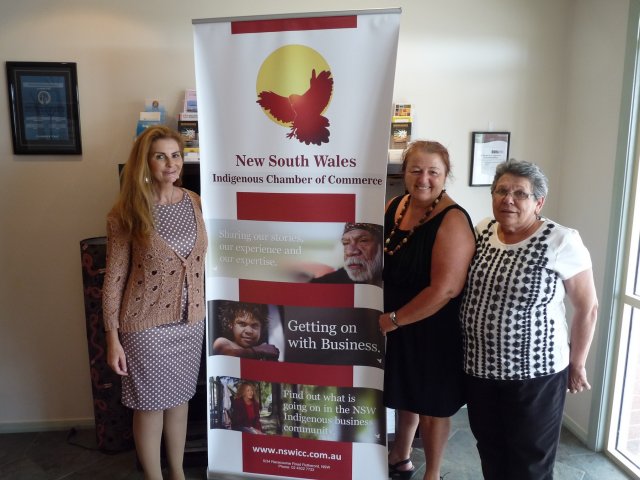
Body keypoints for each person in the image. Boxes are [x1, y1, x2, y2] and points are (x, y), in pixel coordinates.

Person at [460, 159, 598, 480]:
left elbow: (587, 307)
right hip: (480, 371)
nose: (508, 199)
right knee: (491, 452)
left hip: (535, 376)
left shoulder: (561, 241)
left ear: (538, 202)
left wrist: (578, 362)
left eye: (520, 193)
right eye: (501, 191)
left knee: (530, 462)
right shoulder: (482, 230)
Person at [102, 125, 208, 480]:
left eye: (175, 155)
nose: (170, 163)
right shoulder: (127, 211)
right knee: (149, 407)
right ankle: (154, 476)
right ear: (145, 163)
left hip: (190, 323)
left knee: (179, 402)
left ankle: (177, 473)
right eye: (160, 156)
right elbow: (114, 277)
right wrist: (112, 337)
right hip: (144, 327)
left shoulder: (195, 201)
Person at [378, 141, 476, 480]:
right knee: (407, 395)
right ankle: (400, 457)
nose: (423, 179)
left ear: (446, 176)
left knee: (432, 405)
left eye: (433, 172)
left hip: (434, 328)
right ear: (404, 172)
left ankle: (432, 474)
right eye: (416, 170)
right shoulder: (395, 205)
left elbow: (445, 290)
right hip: (400, 323)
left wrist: (393, 320)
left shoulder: (453, 220)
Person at [310, 222, 383, 286]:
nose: (350, 252)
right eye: (345, 243)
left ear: (381, 245)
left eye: (363, 241)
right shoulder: (323, 284)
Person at [212, 301, 280, 360]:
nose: (249, 331)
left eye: (254, 325)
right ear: (231, 324)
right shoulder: (223, 342)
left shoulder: (263, 355)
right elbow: (228, 354)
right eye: (242, 324)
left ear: (261, 328)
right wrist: (260, 350)